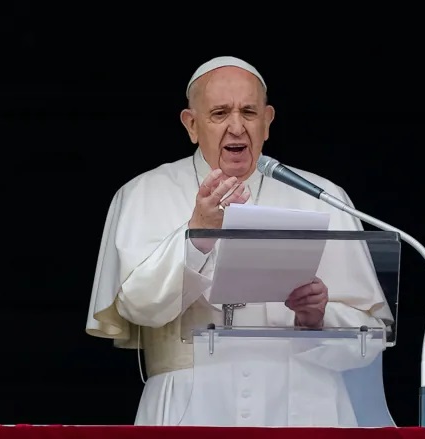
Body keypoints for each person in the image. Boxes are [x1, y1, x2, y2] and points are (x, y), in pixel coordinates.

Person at [85, 56, 394, 427]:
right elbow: (139, 308)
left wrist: (317, 318)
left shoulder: (321, 196)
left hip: (306, 410)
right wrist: (198, 234)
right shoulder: (145, 193)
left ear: (267, 121)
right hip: (189, 409)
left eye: (249, 112)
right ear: (191, 124)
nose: (236, 127)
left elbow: (370, 339)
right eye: (219, 113)